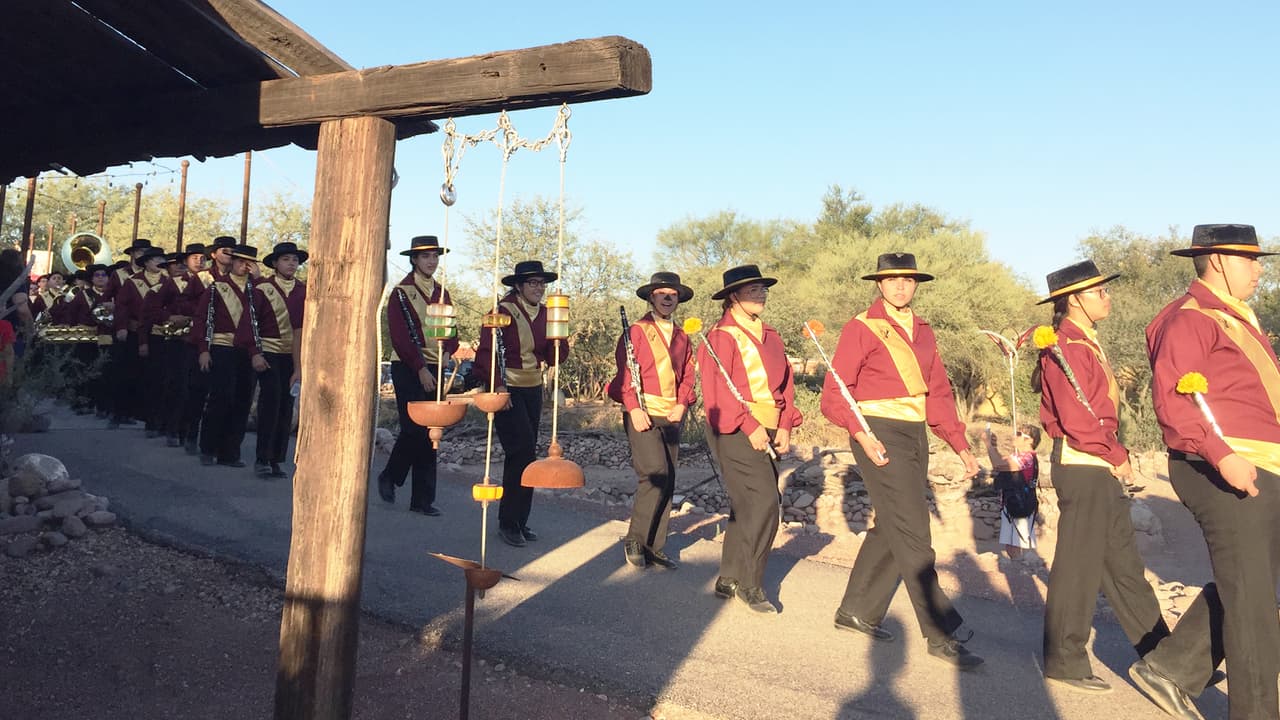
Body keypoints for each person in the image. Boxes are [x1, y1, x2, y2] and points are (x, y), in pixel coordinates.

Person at [1033, 260, 1197, 698]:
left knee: (1125, 569)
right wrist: (1118, 454)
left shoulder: (1085, 342)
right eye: (1099, 292)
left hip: (1098, 467)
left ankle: (1168, 660)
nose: (1107, 297)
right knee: (1077, 567)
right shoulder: (1063, 346)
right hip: (1084, 466)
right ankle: (1063, 659)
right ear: (1074, 301)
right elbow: (1078, 418)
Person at [820, 252, 982, 667]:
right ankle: (939, 629)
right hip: (877, 431)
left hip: (915, 434)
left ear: (916, 284)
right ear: (879, 284)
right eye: (891, 279)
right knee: (914, 528)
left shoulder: (924, 332)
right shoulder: (861, 327)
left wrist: (960, 444)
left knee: (893, 523)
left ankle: (856, 609)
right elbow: (835, 393)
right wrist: (861, 434)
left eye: (907, 280)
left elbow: (939, 394)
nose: (899, 286)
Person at [1142, 224, 1277, 720]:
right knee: (1254, 604)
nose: (1260, 269)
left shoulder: (1238, 317)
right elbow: (1175, 401)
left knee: (1260, 587)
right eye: (1251, 259)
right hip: (1223, 466)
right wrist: (1223, 456)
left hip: (1263, 463)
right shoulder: (1190, 319)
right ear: (1217, 260)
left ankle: (1172, 669)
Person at [699, 264, 801, 613]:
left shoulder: (771, 334)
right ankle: (750, 582)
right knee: (766, 504)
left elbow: (785, 384)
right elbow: (716, 390)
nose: (760, 294)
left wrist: (785, 424)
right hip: (736, 428)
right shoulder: (720, 336)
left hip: (770, 426)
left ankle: (729, 575)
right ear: (733, 296)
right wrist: (749, 425)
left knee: (747, 503)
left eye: (762, 289)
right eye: (752, 290)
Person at [469, 259, 569, 547]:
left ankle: (520, 521)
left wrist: (561, 340)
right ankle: (508, 521)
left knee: (528, 454)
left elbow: (553, 357)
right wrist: (497, 385)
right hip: (507, 388)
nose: (539, 288)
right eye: (533, 283)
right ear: (518, 286)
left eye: (542, 283)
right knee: (520, 451)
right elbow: (487, 353)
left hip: (533, 387)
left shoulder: (549, 314)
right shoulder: (500, 312)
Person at [607, 272, 697, 570]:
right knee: (654, 473)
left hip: (672, 414)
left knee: (668, 479)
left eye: (673, 293)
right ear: (651, 297)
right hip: (642, 413)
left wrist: (683, 404)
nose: (668, 297)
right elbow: (626, 374)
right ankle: (635, 539)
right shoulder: (635, 331)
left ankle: (654, 546)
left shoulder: (683, 336)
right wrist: (633, 407)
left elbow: (688, 376)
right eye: (662, 293)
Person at [377, 237, 458, 511]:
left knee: (431, 433)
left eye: (435, 256)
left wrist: (449, 349)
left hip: (436, 365)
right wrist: (420, 367)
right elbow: (400, 337)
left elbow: (450, 329)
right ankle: (390, 475)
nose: (431, 261)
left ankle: (422, 500)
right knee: (413, 428)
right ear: (413, 260)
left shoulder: (442, 292)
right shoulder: (401, 293)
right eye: (425, 257)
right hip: (408, 366)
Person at [193, 244, 264, 468]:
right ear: (232, 263)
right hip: (222, 347)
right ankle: (208, 448)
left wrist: (259, 280)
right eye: (240, 261)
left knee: (243, 400)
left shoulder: (259, 290)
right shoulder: (217, 288)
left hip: (249, 350)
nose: (245, 266)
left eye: (249, 262)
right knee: (221, 397)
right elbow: (203, 320)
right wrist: (203, 350)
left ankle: (230, 452)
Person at [252, 241, 307, 479]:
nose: (291, 263)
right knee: (270, 403)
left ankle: (277, 459)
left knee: (287, 407)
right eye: (286, 259)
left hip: (293, 357)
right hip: (269, 354)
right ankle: (262, 457)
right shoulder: (262, 288)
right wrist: (255, 352)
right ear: (275, 263)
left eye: (295, 260)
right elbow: (250, 323)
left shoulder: (304, 290)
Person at [178, 237, 232, 454]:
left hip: (226, 341)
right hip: (201, 337)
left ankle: (215, 441)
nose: (229, 255)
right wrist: (203, 309)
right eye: (225, 251)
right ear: (214, 254)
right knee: (197, 390)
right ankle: (189, 433)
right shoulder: (203, 277)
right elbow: (183, 302)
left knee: (221, 393)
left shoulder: (239, 278)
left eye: (232, 252)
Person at [110, 244, 166, 429]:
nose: (159, 262)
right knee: (128, 372)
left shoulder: (168, 282)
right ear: (146, 263)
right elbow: (122, 307)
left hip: (159, 333)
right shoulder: (133, 281)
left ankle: (147, 414)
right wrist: (122, 327)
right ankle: (120, 412)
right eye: (155, 259)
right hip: (133, 331)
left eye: (161, 259)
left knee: (154, 375)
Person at [984, 424, 1040, 559]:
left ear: (1030, 440)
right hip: (1012, 504)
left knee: (1018, 543)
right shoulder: (1018, 456)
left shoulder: (1027, 458)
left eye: (1019, 434)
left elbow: (998, 465)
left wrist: (989, 445)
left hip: (1020, 504)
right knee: (1011, 543)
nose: (1015, 436)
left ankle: (1023, 571)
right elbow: (998, 462)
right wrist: (993, 447)